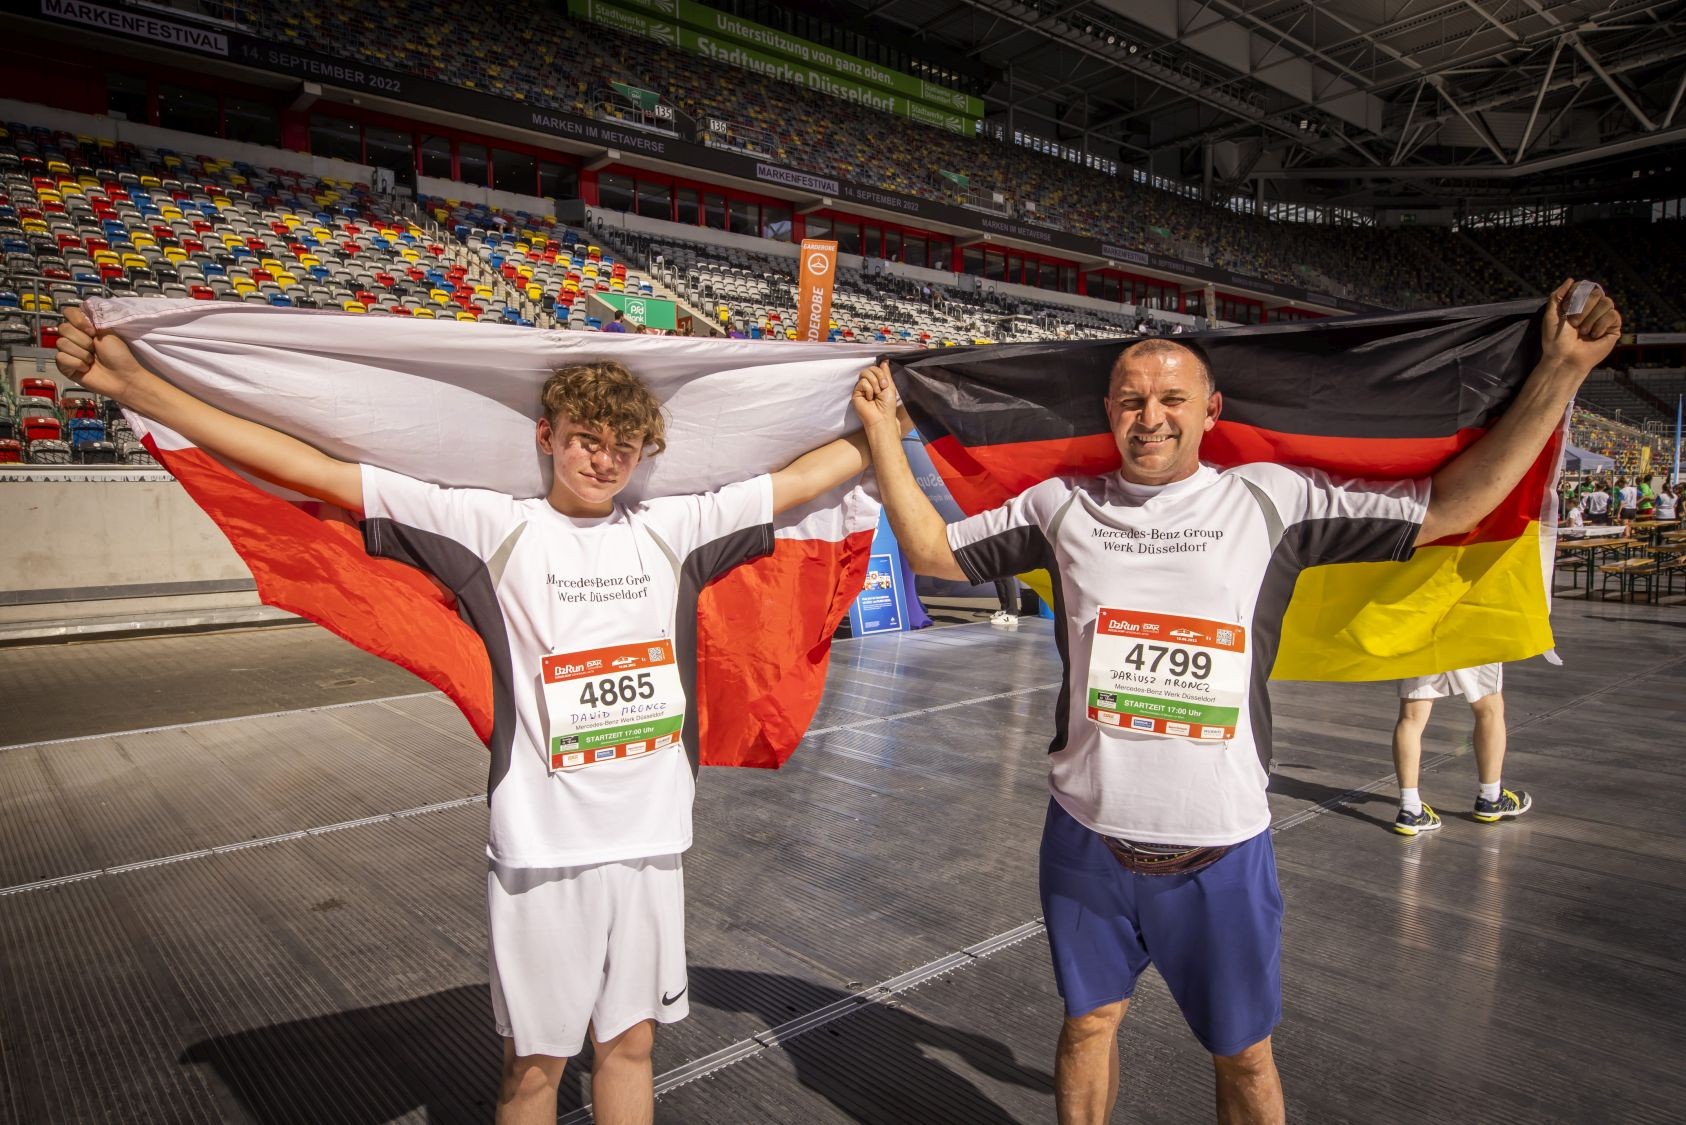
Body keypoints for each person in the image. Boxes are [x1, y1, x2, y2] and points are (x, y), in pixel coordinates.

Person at [53, 304, 880, 1125]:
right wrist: (142, 390)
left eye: (623, 444)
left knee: (630, 1049)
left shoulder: (678, 527)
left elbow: (807, 478)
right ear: (545, 436)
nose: (605, 457)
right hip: (542, 846)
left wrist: (896, 410)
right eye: (586, 437)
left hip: (653, 841)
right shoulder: (491, 528)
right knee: (534, 1071)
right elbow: (322, 472)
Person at [851, 278, 1620, 1125]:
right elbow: (927, 549)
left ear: (1211, 408)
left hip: (1219, 851)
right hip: (1085, 841)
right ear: (1107, 409)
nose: (1152, 417)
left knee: (1246, 1059)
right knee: (1087, 1024)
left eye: (1172, 398)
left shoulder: (1271, 498)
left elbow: (1452, 505)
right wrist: (886, 431)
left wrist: (1560, 374)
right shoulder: (1061, 505)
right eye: (1133, 400)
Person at [1390, 664, 1528, 836]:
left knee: (1411, 717)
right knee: (1489, 709)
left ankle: (1410, 809)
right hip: (1468, 638)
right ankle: (1491, 798)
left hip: (1419, 638)